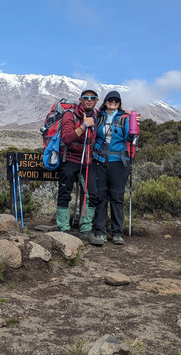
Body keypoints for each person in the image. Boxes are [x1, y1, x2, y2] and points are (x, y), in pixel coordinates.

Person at [88, 90, 134, 246]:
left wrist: (132, 127)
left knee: (116, 197)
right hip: (99, 161)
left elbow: (129, 135)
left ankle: (116, 233)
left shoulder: (124, 118)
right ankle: (100, 232)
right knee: (101, 197)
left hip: (118, 163)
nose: (113, 102)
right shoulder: (98, 116)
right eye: (110, 100)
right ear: (105, 101)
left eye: (116, 101)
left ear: (119, 103)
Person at [56, 90, 98, 239]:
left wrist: (125, 113)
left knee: (91, 195)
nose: (89, 100)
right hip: (70, 159)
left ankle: (85, 229)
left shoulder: (97, 114)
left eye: (92, 98)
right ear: (80, 100)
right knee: (65, 193)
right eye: (86, 98)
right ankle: (63, 228)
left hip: (88, 161)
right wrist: (83, 126)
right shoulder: (70, 114)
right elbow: (66, 138)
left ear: (96, 101)